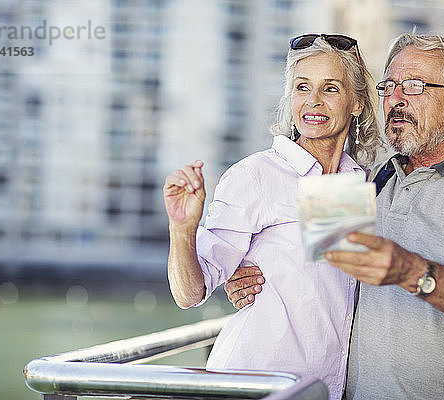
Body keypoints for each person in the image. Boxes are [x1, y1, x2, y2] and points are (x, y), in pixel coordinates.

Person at [225, 33, 444, 399]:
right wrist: (246, 273)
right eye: (389, 86)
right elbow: (314, 273)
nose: (396, 99)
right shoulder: (364, 178)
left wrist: (408, 270)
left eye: (415, 86)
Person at [163, 34, 382, 399]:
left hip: (317, 390)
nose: (313, 101)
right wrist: (183, 230)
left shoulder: (350, 179)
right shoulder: (257, 175)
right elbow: (190, 293)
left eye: (330, 88)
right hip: (252, 383)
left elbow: (329, 292)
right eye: (302, 87)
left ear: (357, 102)